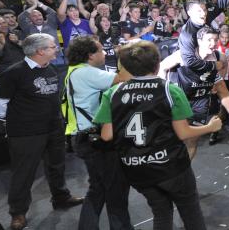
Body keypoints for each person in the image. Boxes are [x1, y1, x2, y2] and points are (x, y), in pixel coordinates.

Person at [94, 41, 222, 230]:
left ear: (126, 67)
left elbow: (106, 136)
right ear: (157, 64)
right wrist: (211, 127)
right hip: (171, 166)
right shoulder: (169, 90)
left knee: (161, 212)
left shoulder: (112, 93)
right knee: (191, 212)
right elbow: (183, 132)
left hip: (136, 169)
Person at [0, 34, 83, 230]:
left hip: (53, 128)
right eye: (52, 47)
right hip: (26, 133)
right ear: (40, 51)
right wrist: (21, 121)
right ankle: (18, 213)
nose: (56, 49)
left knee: (57, 166)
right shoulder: (13, 73)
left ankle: (61, 197)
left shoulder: (49, 68)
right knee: (23, 174)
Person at [63, 36, 132, 230]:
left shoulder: (75, 71)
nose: (105, 53)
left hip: (84, 138)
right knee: (115, 188)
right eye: (101, 50)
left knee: (98, 188)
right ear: (90, 55)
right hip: (96, 140)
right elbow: (124, 78)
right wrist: (124, 56)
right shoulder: (86, 73)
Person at [159, 26, 229, 154]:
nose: (213, 43)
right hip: (181, 98)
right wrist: (166, 89)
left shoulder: (218, 55)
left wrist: (218, 79)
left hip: (200, 99)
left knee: (192, 140)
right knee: (174, 140)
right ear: (199, 41)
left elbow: (224, 63)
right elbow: (161, 67)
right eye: (209, 40)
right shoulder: (184, 55)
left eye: (215, 40)